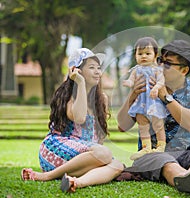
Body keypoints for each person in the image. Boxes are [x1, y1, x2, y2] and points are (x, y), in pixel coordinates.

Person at [117, 40, 190, 197]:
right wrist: (133, 95)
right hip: (152, 154)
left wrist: (165, 97)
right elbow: (122, 126)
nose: (161, 66)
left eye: (168, 64)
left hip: (187, 153)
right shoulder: (146, 86)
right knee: (167, 163)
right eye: (160, 61)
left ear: (184, 70)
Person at [21, 48, 124, 193]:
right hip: (57, 151)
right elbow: (80, 117)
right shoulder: (69, 97)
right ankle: (47, 176)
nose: (97, 72)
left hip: (83, 157)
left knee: (117, 165)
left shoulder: (102, 99)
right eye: (91, 67)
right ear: (78, 71)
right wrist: (80, 83)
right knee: (105, 154)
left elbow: (98, 136)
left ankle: (76, 182)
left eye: (99, 68)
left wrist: (98, 158)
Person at [123, 37, 168, 160]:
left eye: (148, 53)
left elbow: (161, 81)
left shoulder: (157, 70)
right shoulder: (136, 70)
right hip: (141, 103)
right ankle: (146, 147)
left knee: (158, 124)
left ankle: (161, 145)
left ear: (155, 55)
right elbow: (132, 80)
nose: (144, 56)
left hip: (153, 102)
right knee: (142, 124)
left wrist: (156, 88)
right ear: (135, 56)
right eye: (140, 53)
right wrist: (129, 83)